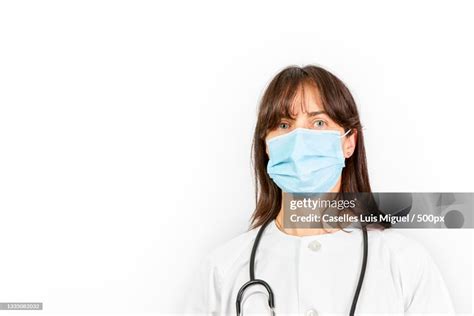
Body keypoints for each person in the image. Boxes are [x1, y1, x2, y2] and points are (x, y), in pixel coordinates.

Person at [185, 65, 455, 315]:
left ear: (349, 143)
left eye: (318, 123)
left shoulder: (404, 262)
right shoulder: (222, 270)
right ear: (267, 146)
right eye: (284, 125)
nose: (300, 140)